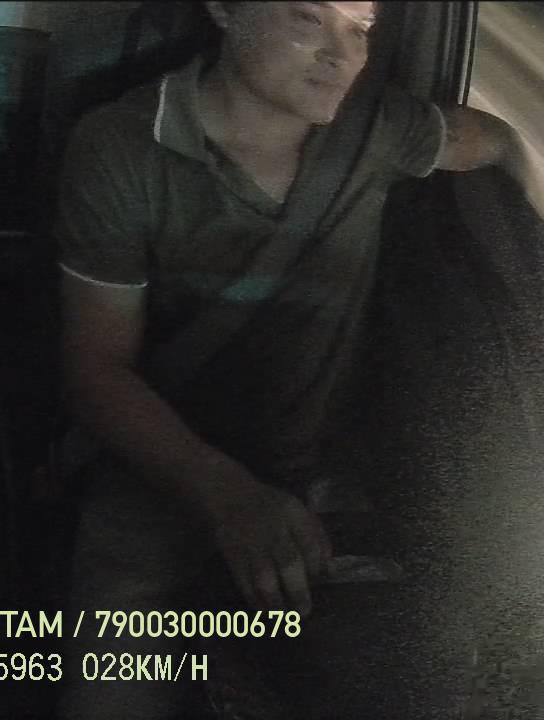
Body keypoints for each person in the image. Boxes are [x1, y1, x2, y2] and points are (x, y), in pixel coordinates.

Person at [53, 2, 544, 718]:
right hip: (161, 464)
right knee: (111, 692)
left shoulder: (378, 129)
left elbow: (494, 141)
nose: (342, 55)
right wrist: (227, 495)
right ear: (225, 10)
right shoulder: (122, 147)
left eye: (361, 28)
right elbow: (96, 371)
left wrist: (525, 171)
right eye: (309, 18)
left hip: (321, 469)